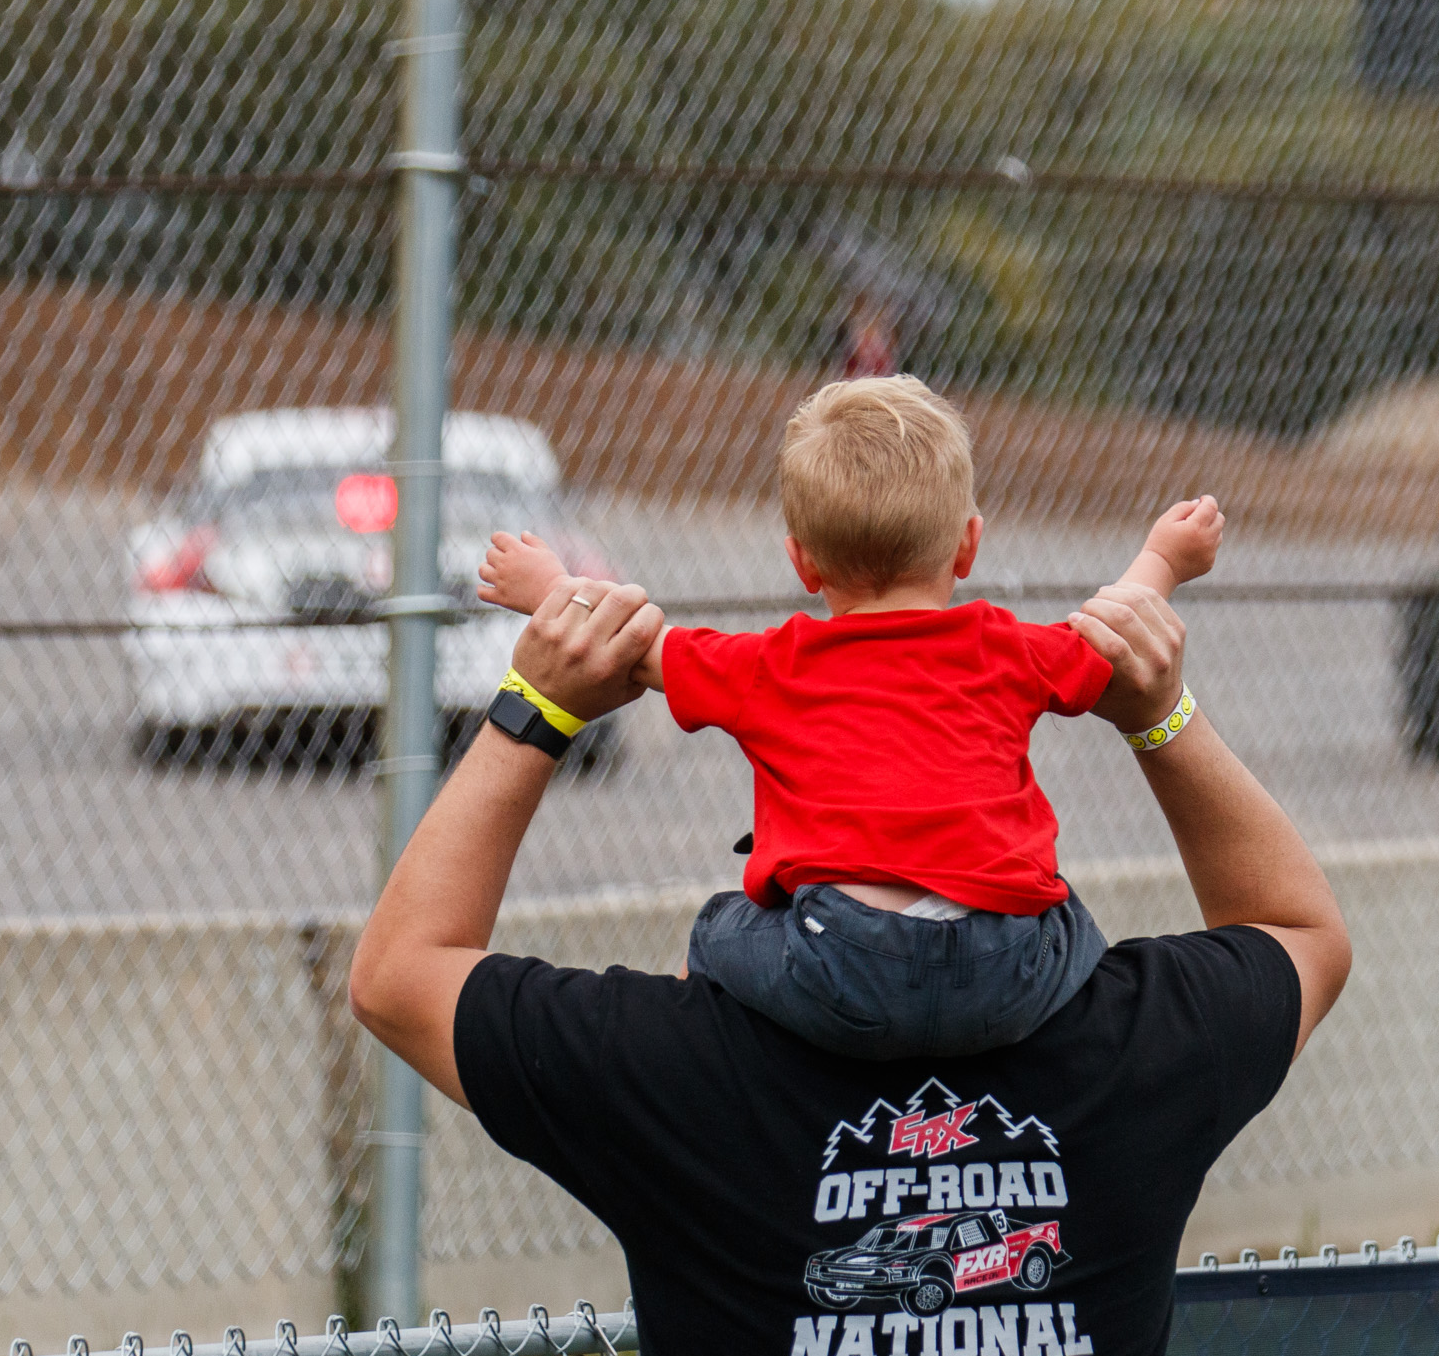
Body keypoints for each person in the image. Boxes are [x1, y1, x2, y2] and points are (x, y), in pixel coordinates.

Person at [349, 578, 1348, 1356]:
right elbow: (1302, 933)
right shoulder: (1144, 1040)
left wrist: (538, 708)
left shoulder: (671, 1067)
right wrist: (1159, 714)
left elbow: (399, 972)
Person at [474, 375, 1226, 1058]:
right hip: (1008, 967)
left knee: (719, 927)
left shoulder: (769, 664)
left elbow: (637, 648)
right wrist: (1165, 555)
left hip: (838, 968)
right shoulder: (1007, 649)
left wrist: (552, 586)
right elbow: (1114, 635)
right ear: (968, 545)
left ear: (802, 563)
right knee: (1070, 919)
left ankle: (691, 1065)